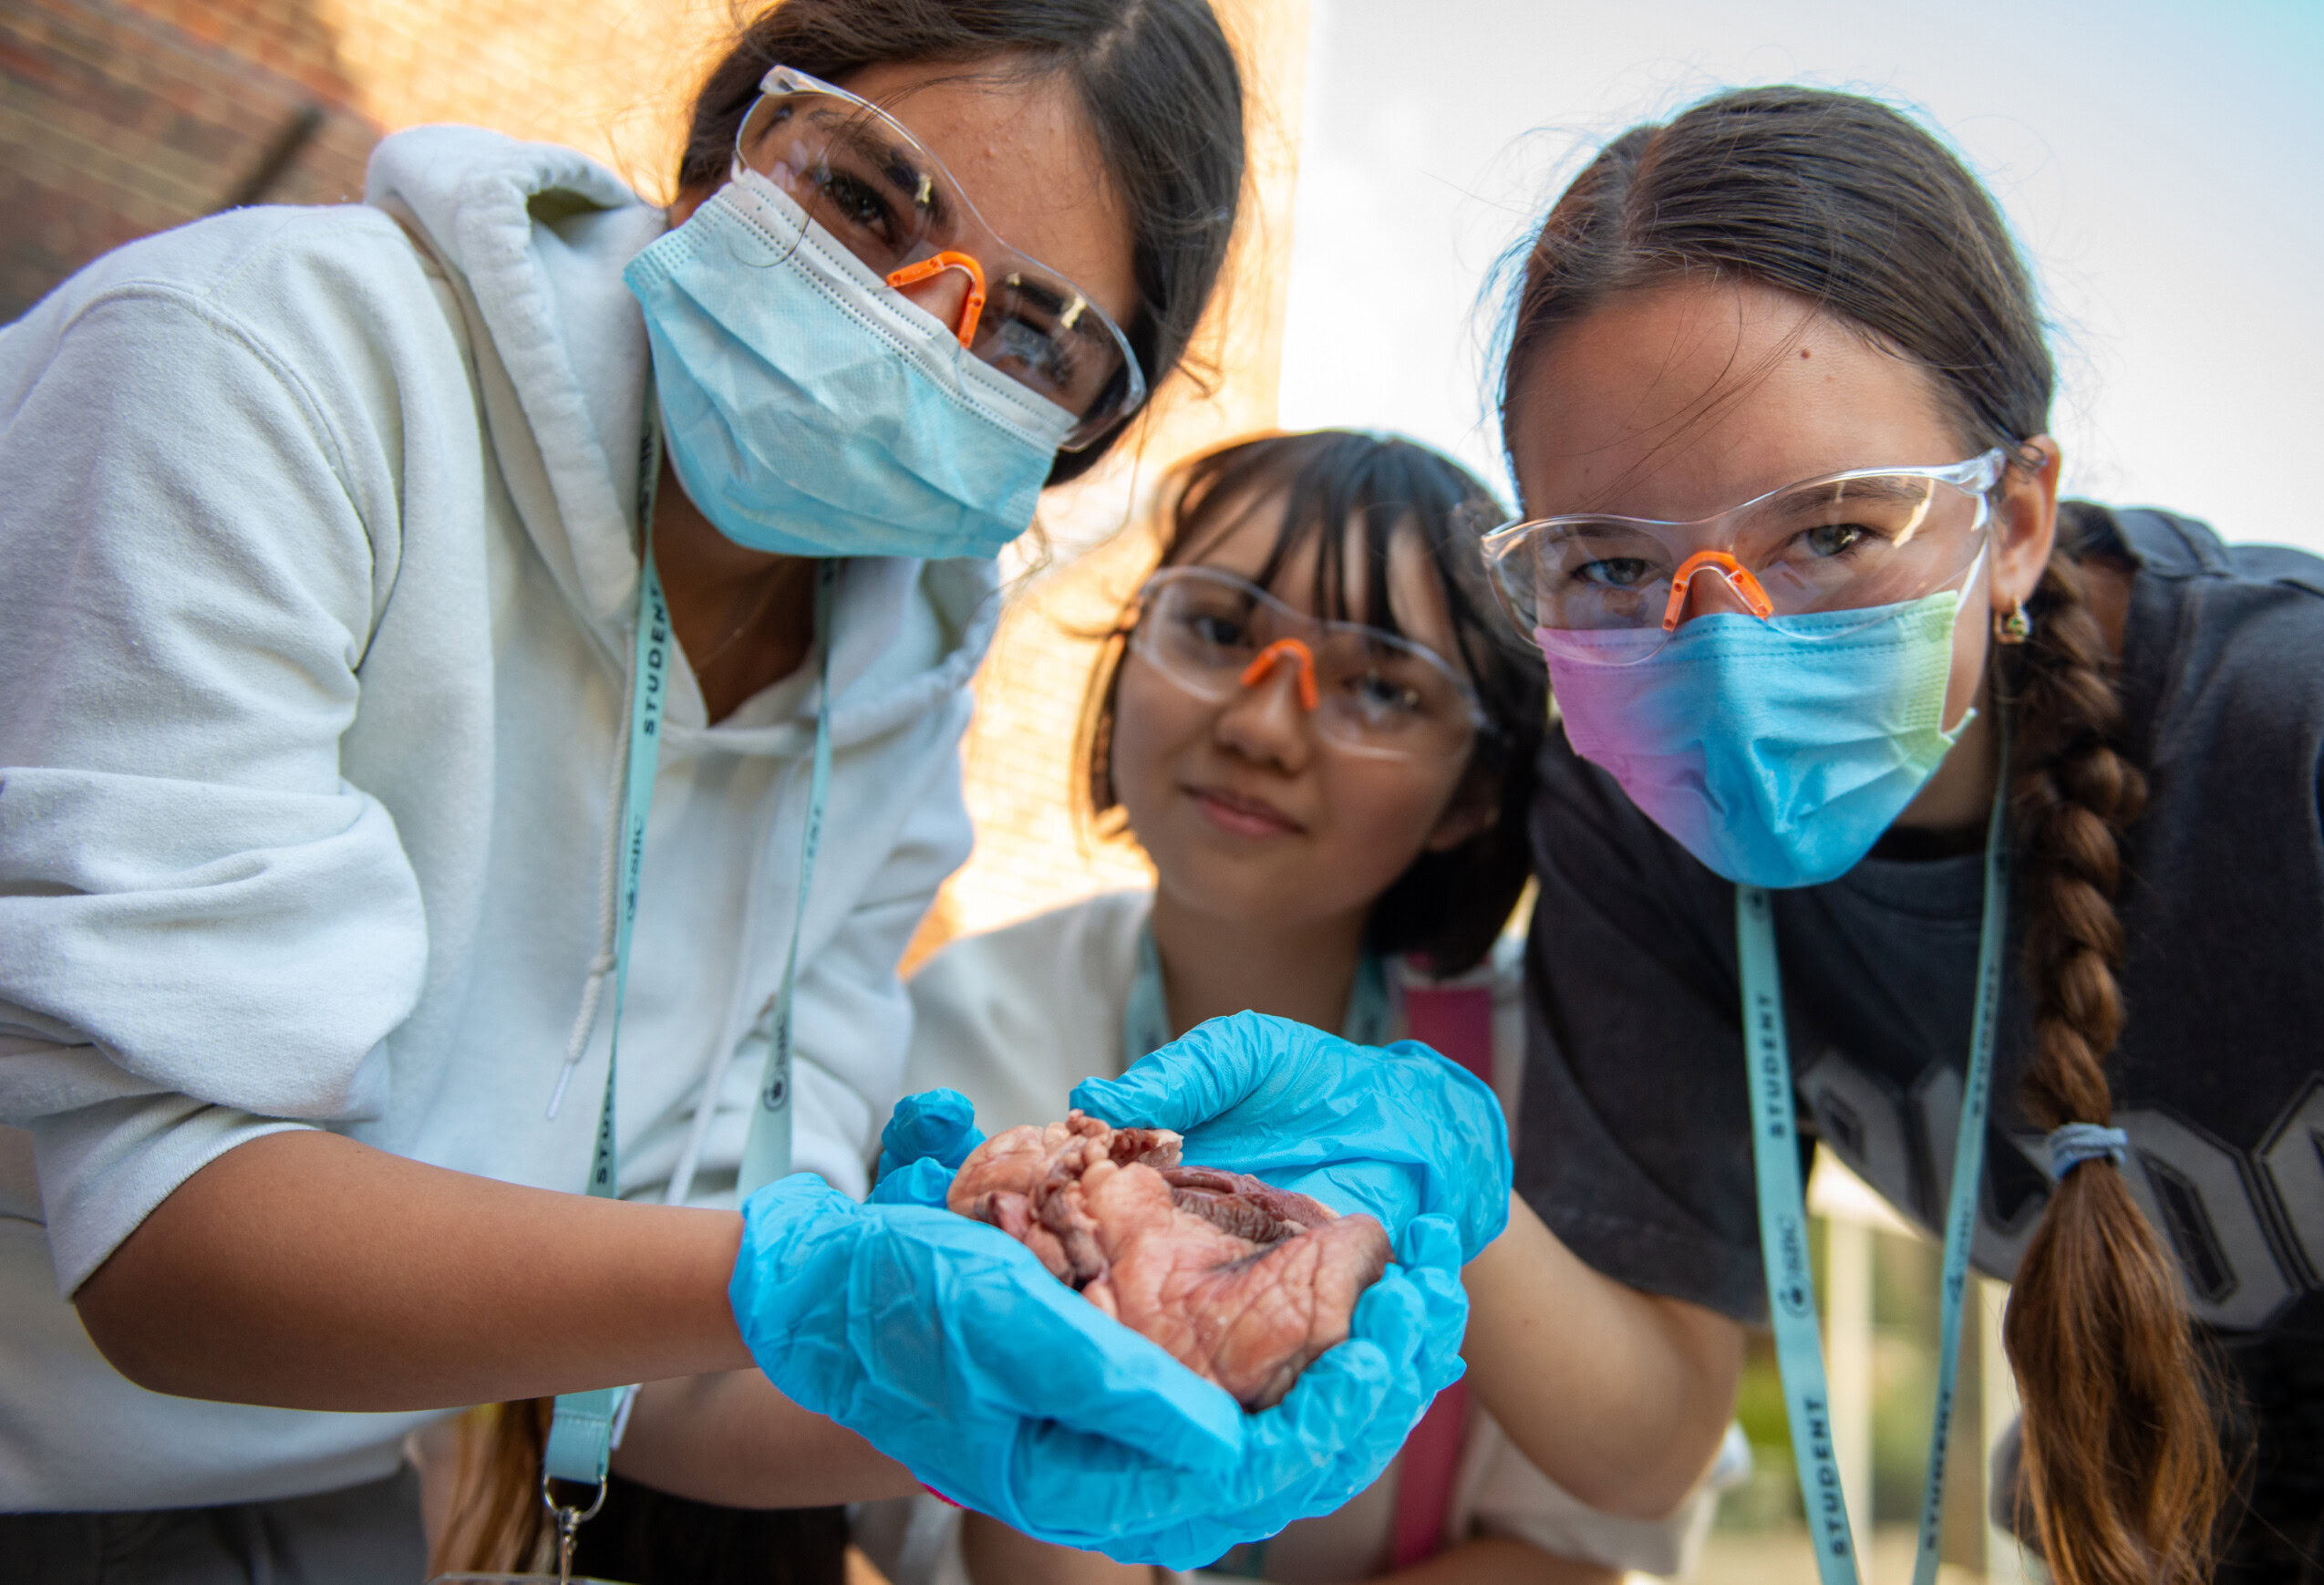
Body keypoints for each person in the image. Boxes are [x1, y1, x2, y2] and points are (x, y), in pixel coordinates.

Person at [0, 3, 1493, 1578]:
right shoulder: (256, 362)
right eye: (865, 198)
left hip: (316, 1497)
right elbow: (165, 1242)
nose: (912, 320)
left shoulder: (900, 664)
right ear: (725, 148)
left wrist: (1094, 1347)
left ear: (1078, 428)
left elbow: (680, 1375)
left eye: (1029, 328)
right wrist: (806, 1285)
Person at [1444, 86, 2324, 1585]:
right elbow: (1648, 1432)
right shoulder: (1625, 819)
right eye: (1606, 559)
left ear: (2021, 519)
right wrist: (1433, 1177)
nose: (1721, 649)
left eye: (1833, 534)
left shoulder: (2293, 729)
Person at [861, 430, 1748, 1585]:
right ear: (1129, 652)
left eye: (1380, 686)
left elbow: (1585, 1540)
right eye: (1221, 630)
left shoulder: (1546, 1083)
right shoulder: (963, 1024)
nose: (1261, 726)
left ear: (1474, 793)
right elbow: (942, 1522)